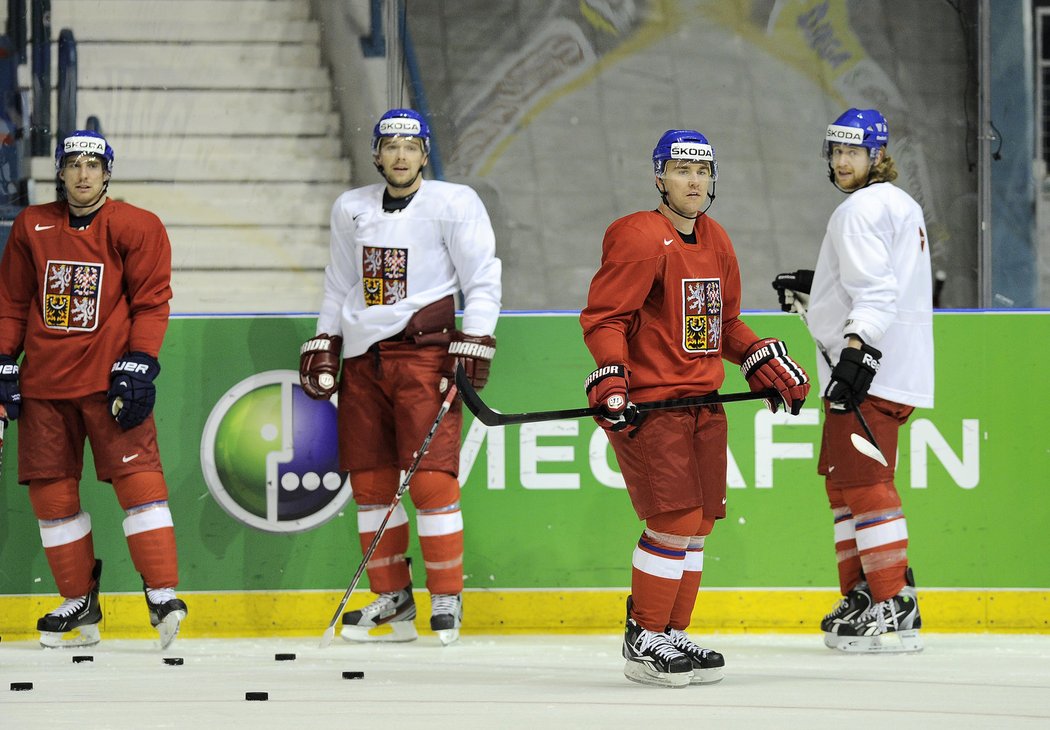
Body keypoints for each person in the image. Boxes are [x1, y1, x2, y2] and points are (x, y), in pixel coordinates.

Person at [580, 129, 810, 687]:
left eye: (702, 171)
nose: (693, 180)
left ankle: (672, 630)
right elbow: (605, 317)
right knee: (674, 518)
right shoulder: (637, 236)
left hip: (704, 403)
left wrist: (757, 356)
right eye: (681, 170)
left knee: (700, 523)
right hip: (653, 406)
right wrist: (612, 377)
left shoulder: (717, 239)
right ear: (659, 176)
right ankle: (644, 634)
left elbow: (723, 326)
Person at [299, 108, 501, 646]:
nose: (401, 155)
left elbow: (482, 277)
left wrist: (476, 335)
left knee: (432, 480)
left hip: (425, 355)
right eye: (391, 146)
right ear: (376, 153)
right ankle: (393, 600)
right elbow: (339, 283)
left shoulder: (454, 204)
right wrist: (326, 340)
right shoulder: (352, 207)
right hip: (363, 362)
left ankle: (447, 596)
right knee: (370, 484)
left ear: (424, 152)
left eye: (411, 146)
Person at [0, 130, 187, 649]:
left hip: (109, 383)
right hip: (44, 385)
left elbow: (152, 301)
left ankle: (161, 594)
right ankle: (80, 603)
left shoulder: (137, 225)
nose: (83, 174)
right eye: (73, 164)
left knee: (139, 484)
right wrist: (2, 363)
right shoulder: (30, 226)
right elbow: (12, 304)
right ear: (59, 171)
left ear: (108, 172)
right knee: (52, 494)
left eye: (93, 164)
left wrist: (141, 361)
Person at [772, 108, 933, 654]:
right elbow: (889, 281)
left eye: (853, 152)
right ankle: (864, 594)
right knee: (843, 484)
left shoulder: (857, 211)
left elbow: (877, 294)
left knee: (863, 484)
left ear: (877, 154)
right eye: (836, 152)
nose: (842, 161)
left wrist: (858, 350)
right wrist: (821, 290)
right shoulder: (901, 205)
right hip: (894, 368)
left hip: (871, 372)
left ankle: (891, 602)